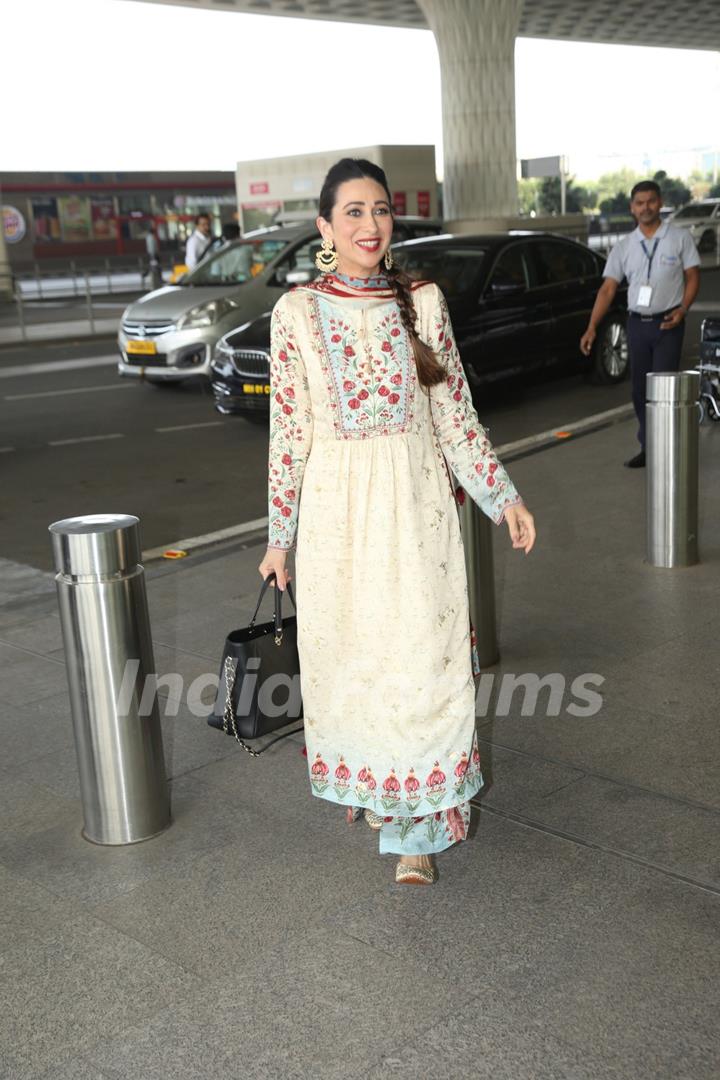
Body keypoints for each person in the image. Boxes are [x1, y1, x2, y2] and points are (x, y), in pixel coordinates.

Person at [258, 158, 535, 887]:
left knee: (422, 665)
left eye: (379, 210)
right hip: (336, 527)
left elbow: (455, 417)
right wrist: (277, 538)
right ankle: (384, 789)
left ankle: (418, 831)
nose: (369, 225)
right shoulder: (296, 314)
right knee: (356, 668)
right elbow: (289, 434)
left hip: (415, 518)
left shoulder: (425, 302)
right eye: (352, 212)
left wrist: (502, 497)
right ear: (324, 227)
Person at [580, 181, 700, 468]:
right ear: (633, 208)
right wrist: (592, 327)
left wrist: (683, 309)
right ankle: (649, 447)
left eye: (650, 201)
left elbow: (693, 277)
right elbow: (608, 289)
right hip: (637, 325)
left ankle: (667, 448)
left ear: (659, 203)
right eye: (639, 203)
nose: (645, 207)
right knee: (639, 390)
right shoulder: (623, 247)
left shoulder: (679, 237)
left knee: (663, 387)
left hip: (668, 324)